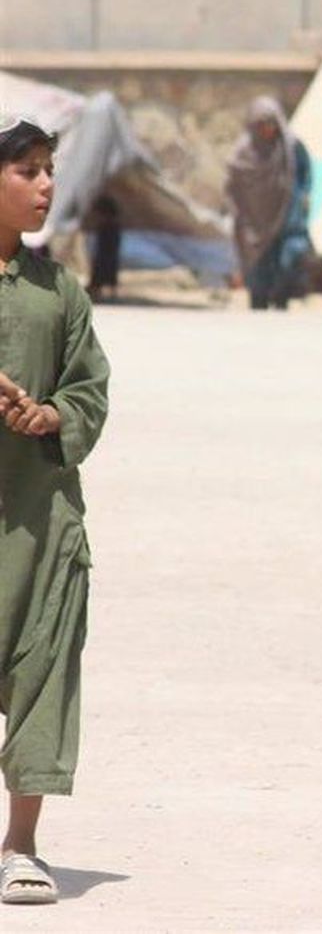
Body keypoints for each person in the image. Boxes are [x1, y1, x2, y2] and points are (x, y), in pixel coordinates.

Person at [0, 116, 111, 906]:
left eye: (50, 171)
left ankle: (22, 843)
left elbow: (89, 386)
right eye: (28, 171)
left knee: (42, 669)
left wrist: (53, 418)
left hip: (41, 520)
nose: (45, 186)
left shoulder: (59, 289)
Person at [224, 96, 313, 311]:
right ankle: (258, 302)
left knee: (288, 259)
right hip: (254, 220)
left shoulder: (291, 148)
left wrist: (302, 198)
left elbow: (304, 175)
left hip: (286, 214)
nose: (268, 130)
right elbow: (233, 185)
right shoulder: (244, 152)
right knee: (257, 266)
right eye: (262, 125)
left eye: (271, 124)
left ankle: (281, 300)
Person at [85, 196, 121, 303]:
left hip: (106, 255)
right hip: (107, 255)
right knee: (106, 269)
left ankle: (102, 292)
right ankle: (105, 292)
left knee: (104, 269)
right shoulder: (110, 227)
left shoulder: (108, 227)